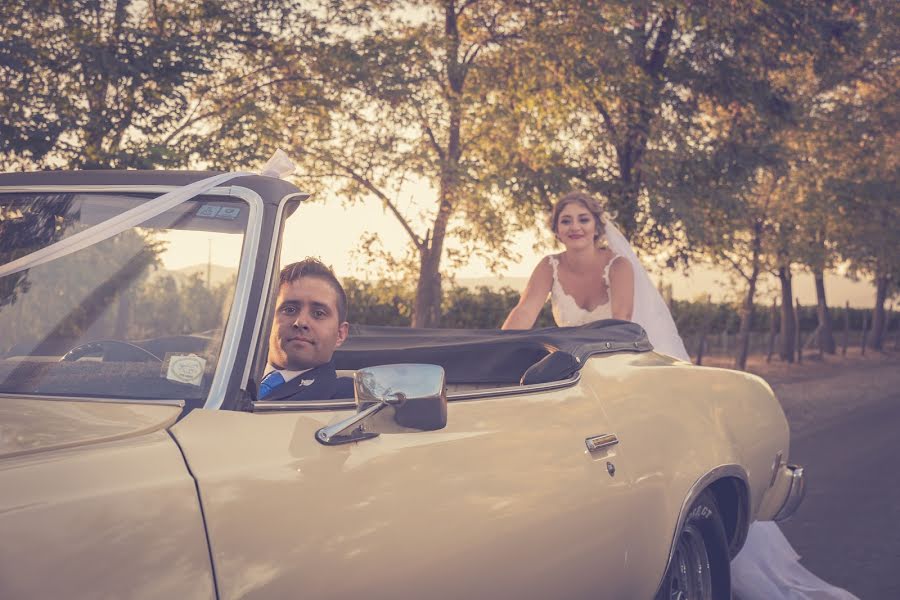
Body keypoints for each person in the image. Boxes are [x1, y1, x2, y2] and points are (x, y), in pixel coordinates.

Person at [503, 191, 857, 600]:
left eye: (583, 218)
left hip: (616, 363)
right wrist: (501, 350)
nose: (575, 227)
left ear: (597, 225)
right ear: (556, 228)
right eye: (566, 220)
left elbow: (619, 324)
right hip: (567, 370)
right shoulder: (548, 266)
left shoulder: (617, 266)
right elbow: (525, 311)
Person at [258, 258, 354, 401]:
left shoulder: (352, 400)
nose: (301, 322)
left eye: (318, 313)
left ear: (340, 334)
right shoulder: (221, 380)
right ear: (266, 320)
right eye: (289, 309)